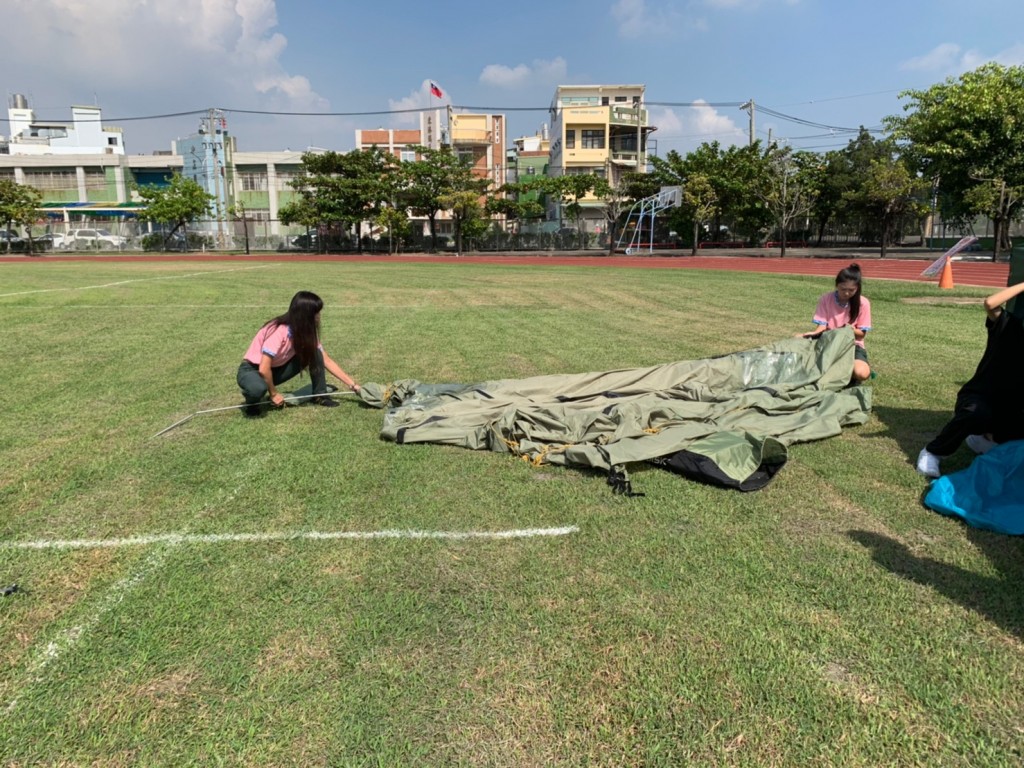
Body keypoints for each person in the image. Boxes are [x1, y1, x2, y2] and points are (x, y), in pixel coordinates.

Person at [916, 280, 1024, 478]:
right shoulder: (1009, 326)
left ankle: (989, 440)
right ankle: (933, 452)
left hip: (1010, 409)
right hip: (980, 397)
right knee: (976, 414)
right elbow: (990, 303)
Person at [236, 290, 360, 416]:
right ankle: (252, 402)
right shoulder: (279, 330)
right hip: (252, 370)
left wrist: (353, 385)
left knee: (315, 352)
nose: (319, 316)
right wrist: (273, 394)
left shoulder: (306, 332)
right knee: (257, 389)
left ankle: (320, 395)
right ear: (305, 314)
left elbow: (326, 360)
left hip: (275, 370)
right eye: (316, 312)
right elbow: (263, 368)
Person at [802, 263, 873, 383]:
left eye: (851, 290)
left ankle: (847, 370)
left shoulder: (863, 303)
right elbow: (821, 327)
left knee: (862, 373)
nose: (846, 293)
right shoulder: (826, 299)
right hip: (829, 342)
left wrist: (849, 329)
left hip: (852, 345)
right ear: (836, 285)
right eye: (843, 289)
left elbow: (861, 334)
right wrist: (810, 335)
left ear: (857, 288)